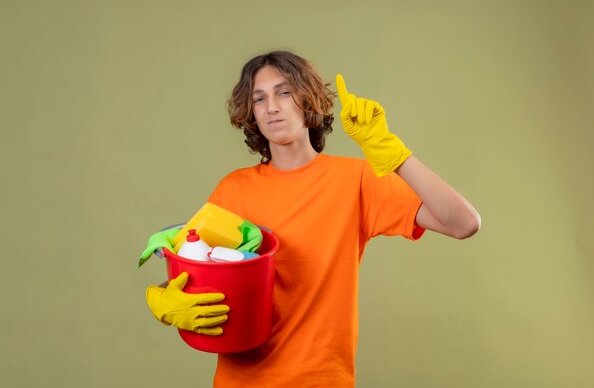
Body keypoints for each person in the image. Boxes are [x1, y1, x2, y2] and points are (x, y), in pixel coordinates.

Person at [146, 50, 481, 387]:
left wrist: (391, 151)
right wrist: (163, 300)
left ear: (308, 99)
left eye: (284, 92)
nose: (271, 106)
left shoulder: (354, 181)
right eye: (259, 98)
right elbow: (191, 275)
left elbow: (463, 223)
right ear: (252, 113)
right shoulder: (233, 190)